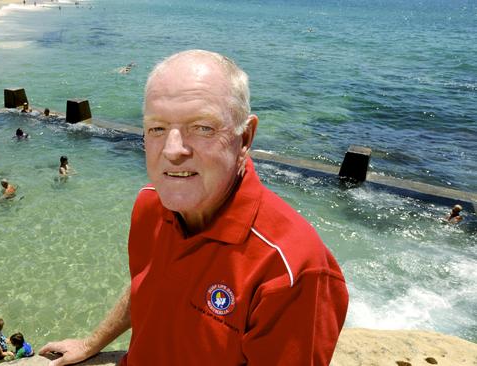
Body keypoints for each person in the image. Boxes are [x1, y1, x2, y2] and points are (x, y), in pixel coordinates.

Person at [38, 50, 348, 365]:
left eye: (201, 127)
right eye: (157, 128)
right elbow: (147, 287)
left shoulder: (292, 268)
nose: (173, 151)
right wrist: (92, 341)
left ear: (245, 138)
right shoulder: (150, 203)